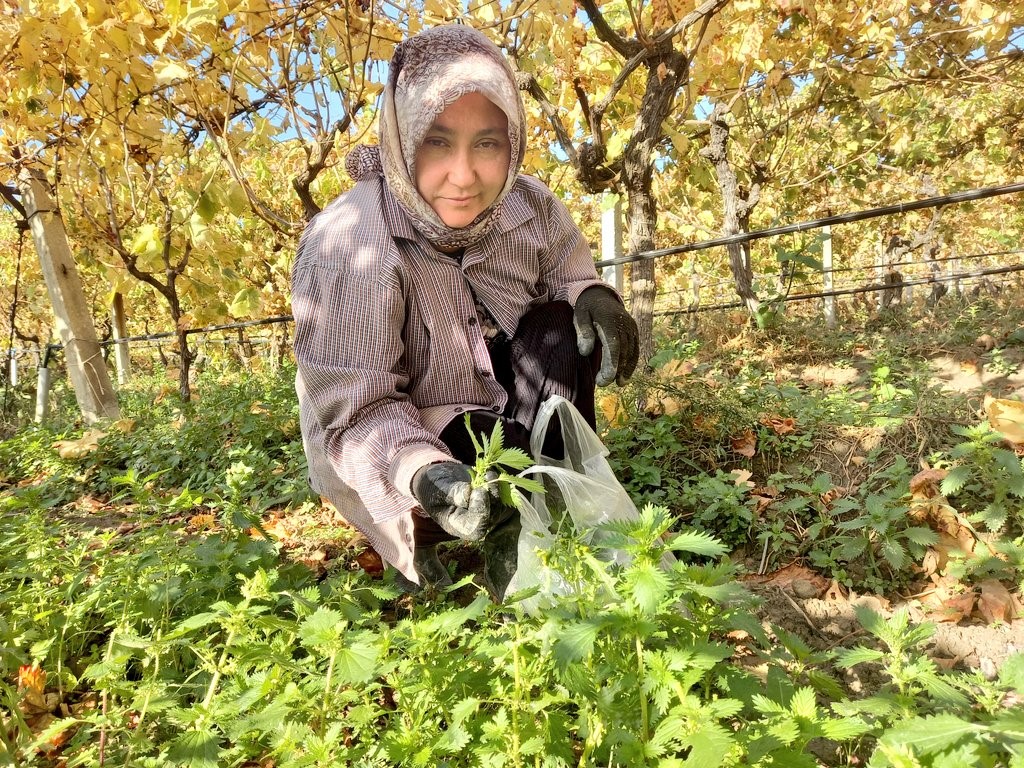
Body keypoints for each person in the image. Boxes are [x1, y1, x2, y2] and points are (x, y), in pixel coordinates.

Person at [292, 24, 639, 600]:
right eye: (437, 140)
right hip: (414, 426)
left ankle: (551, 495)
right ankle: (436, 540)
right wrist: (423, 473)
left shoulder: (526, 206)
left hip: (502, 397)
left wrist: (594, 297)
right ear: (402, 138)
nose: (464, 175)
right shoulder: (353, 243)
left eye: (487, 143)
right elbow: (355, 412)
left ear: (513, 142)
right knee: (465, 473)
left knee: (559, 327)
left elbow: (567, 268)